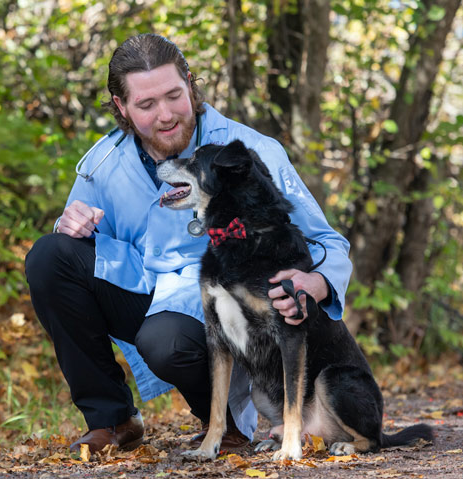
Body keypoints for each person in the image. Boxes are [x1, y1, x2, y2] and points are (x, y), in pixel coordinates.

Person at [24, 33, 352, 454]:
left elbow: (325, 241)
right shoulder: (102, 164)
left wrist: (318, 283)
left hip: (220, 308)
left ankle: (231, 425)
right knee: (50, 257)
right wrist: (70, 224)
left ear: (191, 85)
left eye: (174, 96)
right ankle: (113, 419)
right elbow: (78, 249)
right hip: (145, 286)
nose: (166, 115)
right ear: (122, 107)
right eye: (146, 105)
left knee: (166, 341)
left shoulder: (250, 151)